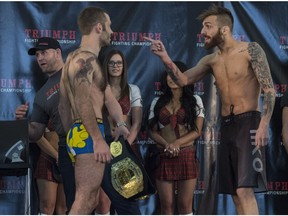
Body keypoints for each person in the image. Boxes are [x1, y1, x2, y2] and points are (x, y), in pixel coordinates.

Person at [145, 4, 276, 215]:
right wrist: (166, 58)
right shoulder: (211, 60)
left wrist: (263, 126)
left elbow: (269, 91)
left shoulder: (250, 50)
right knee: (235, 192)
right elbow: (184, 79)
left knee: (244, 191)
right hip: (227, 126)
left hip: (249, 123)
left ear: (224, 30)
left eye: (207, 26)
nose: (202, 32)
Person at [58, 6, 130, 215]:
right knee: (86, 198)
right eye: (109, 25)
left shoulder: (74, 60)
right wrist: (97, 138)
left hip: (80, 133)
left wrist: (122, 124)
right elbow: (82, 102)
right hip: (90, 133)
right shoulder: (85, 61)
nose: (111, 30)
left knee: (90, 200)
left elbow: (64, 105)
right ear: (99, 27)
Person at [15, 37, 76, 213]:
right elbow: (35, 133)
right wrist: (21, 123)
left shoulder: (76, 72)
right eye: (37, 54)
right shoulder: (42, 94)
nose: (40, 58)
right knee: (72, 206)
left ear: (57, 53)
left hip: (88, 147)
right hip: (65, 151)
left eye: (44, 53)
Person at [148, 61, 204, 214]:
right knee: (166, 205)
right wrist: (168, 145)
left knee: (185, 205)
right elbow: (152, 132)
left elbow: (197, 131)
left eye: (175, 74)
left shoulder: (195, 100)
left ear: (184, 76)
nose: (171, 77)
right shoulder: (157, 102)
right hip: (164, 155)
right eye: (169, 74)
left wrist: (177, 144)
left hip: (186, 155)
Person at [94, 49, 143, 215]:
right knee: (103, 202)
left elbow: (136, 124)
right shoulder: (99, 89)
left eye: (119, 63)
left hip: (126, 149)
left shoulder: (132, 90)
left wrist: (126, 146)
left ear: (124, 66)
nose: (115, 66)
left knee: (128, 198)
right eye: (112, 63)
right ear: (105, 66)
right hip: (103, 148)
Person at [34, 120, 66, 214]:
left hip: (68, 157)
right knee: (47, 206)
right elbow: (37, 136)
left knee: (64, 208)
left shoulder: (74, 106)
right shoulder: (43, 106)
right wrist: (56, 155)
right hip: (47, 157)